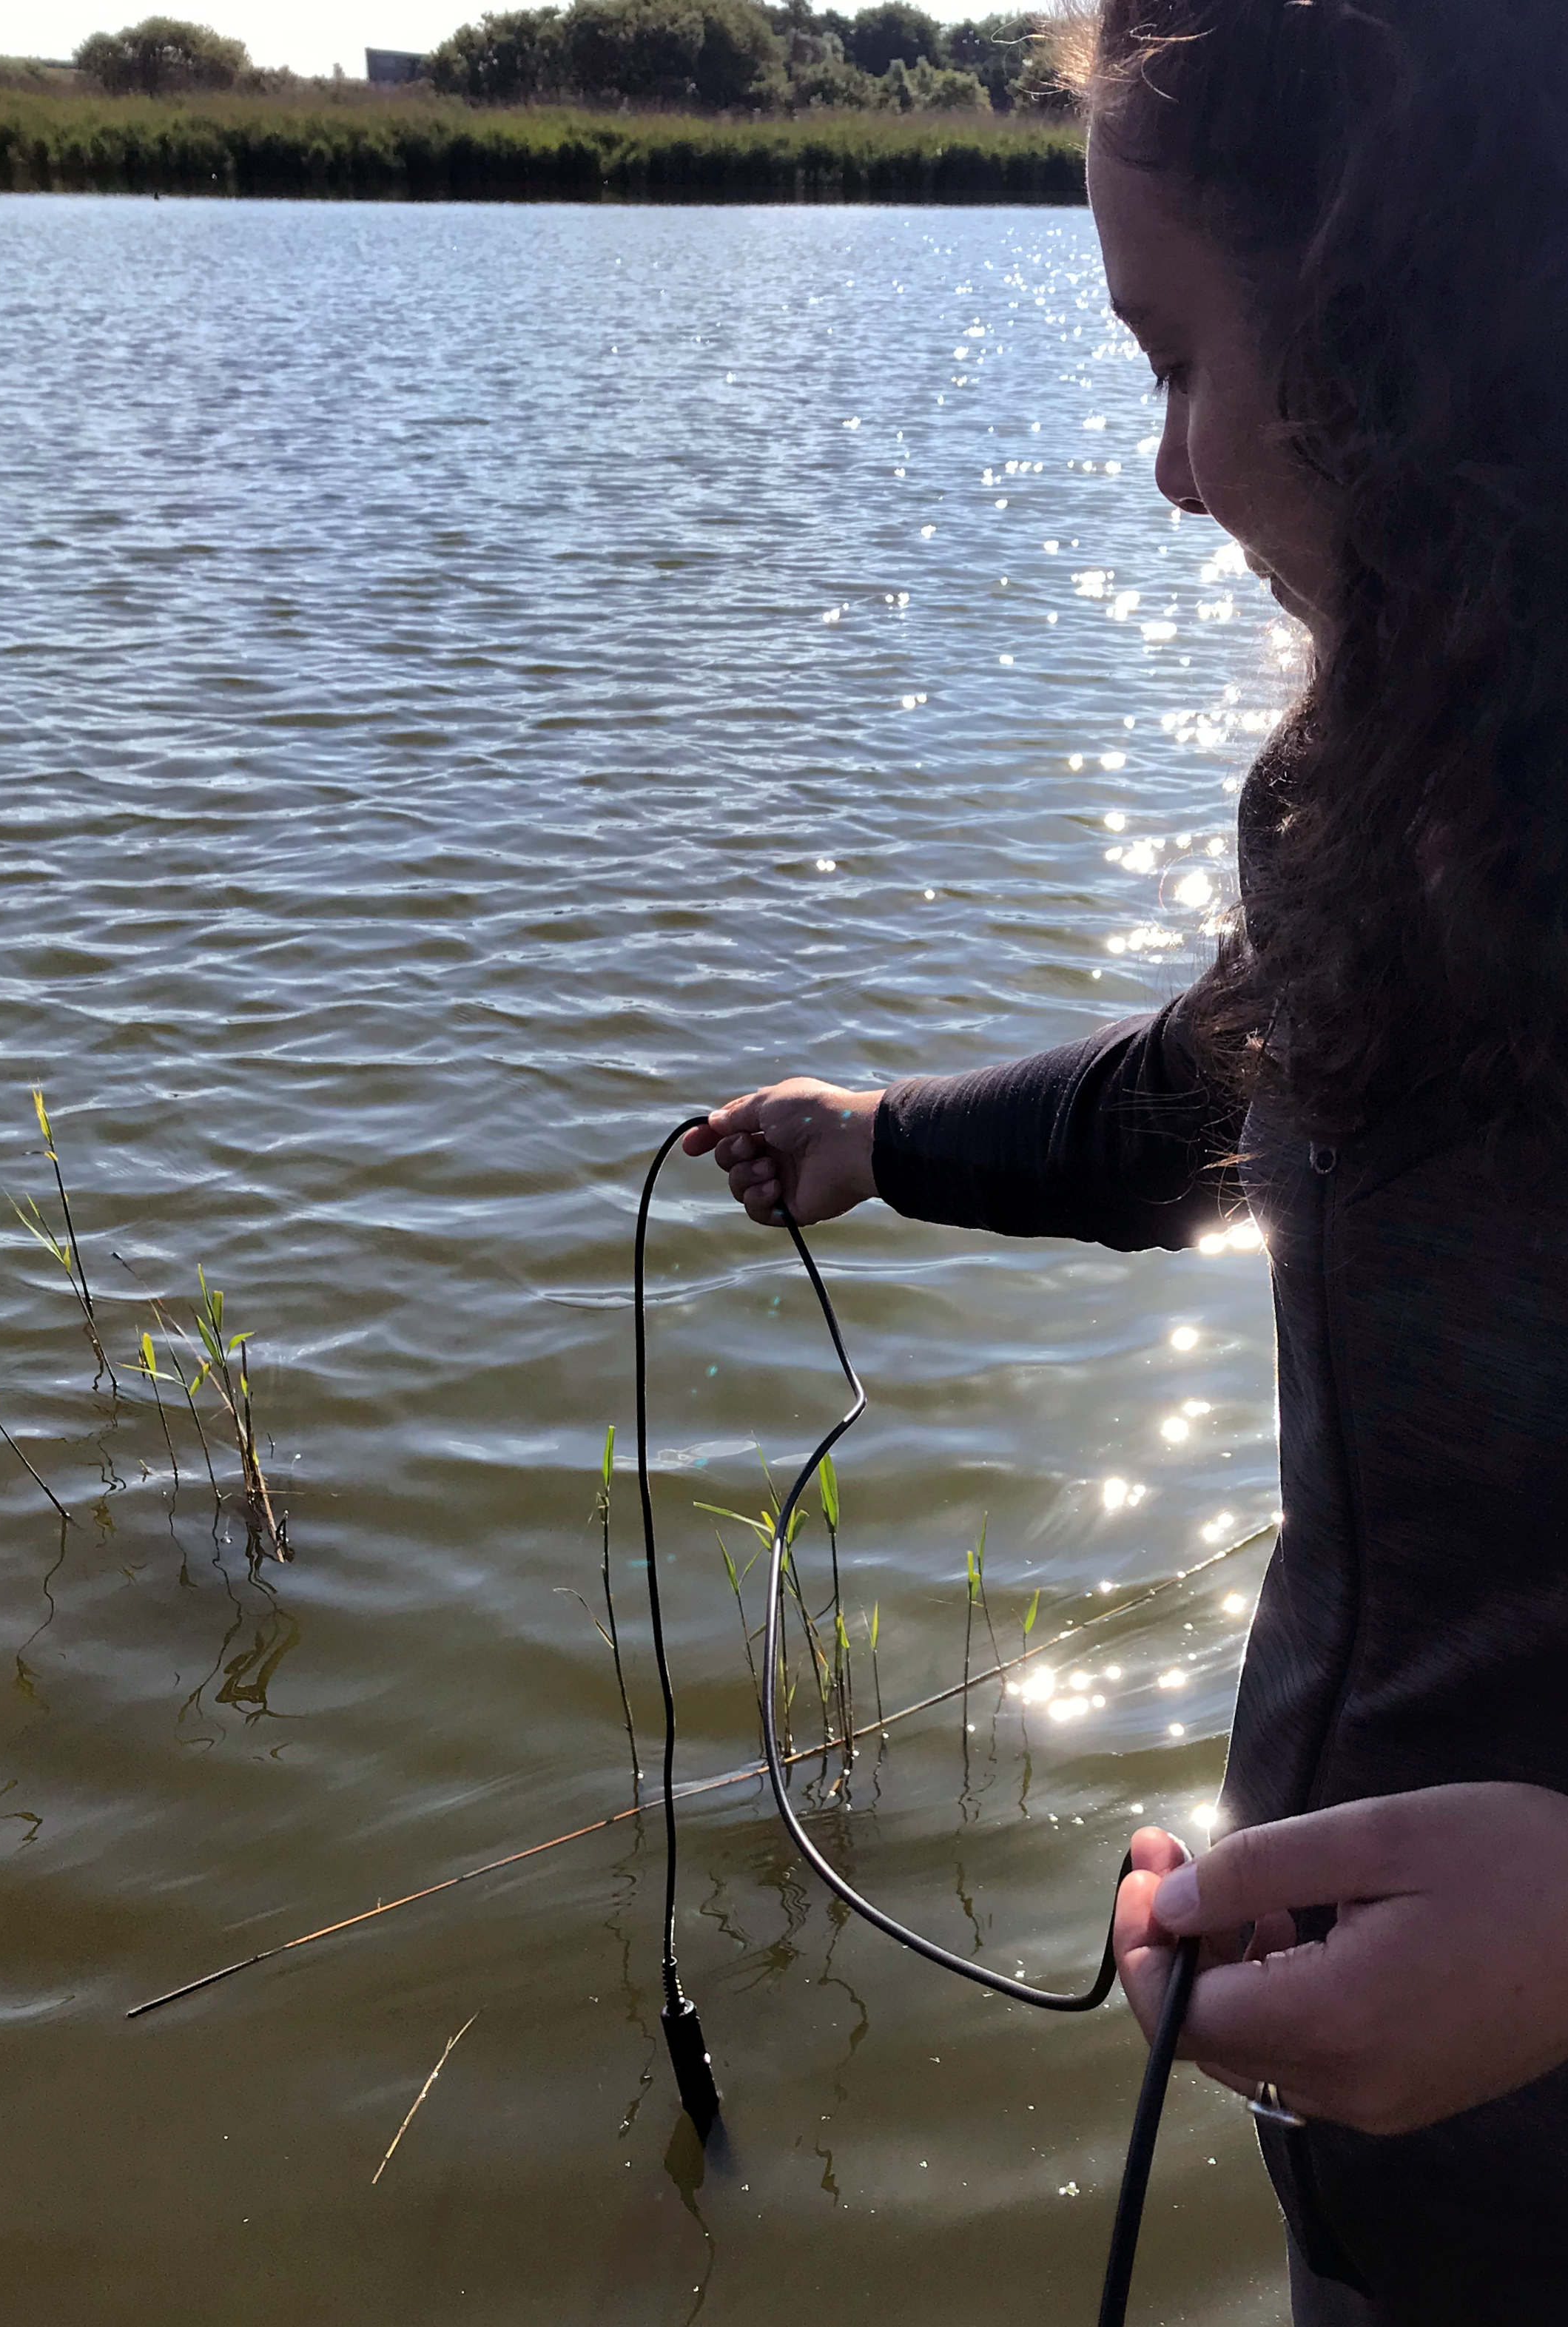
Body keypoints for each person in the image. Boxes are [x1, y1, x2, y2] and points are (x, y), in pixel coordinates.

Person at [683, 2, 1568, 2318]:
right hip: (1401, 2208)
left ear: (1407, 319)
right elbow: (1214, 1097)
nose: (1167, 471)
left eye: (1179, 361)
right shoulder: (1404, 810)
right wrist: (879, 1142)